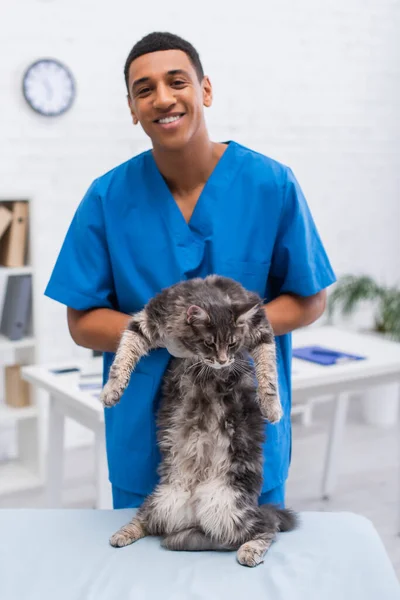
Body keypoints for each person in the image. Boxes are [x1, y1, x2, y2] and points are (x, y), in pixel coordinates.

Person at [45, 31, 336, 510]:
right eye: (144, 89)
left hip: (245, 443)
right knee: (150, 580)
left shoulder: (270, 184)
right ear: (132, 108)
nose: (162, 98)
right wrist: (170, 335)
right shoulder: (107, 198)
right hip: (148, 445)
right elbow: (82, 322)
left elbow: (310, 298)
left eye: (176, 81)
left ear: (205, 90)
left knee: (248, 577)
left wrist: (234, 332)